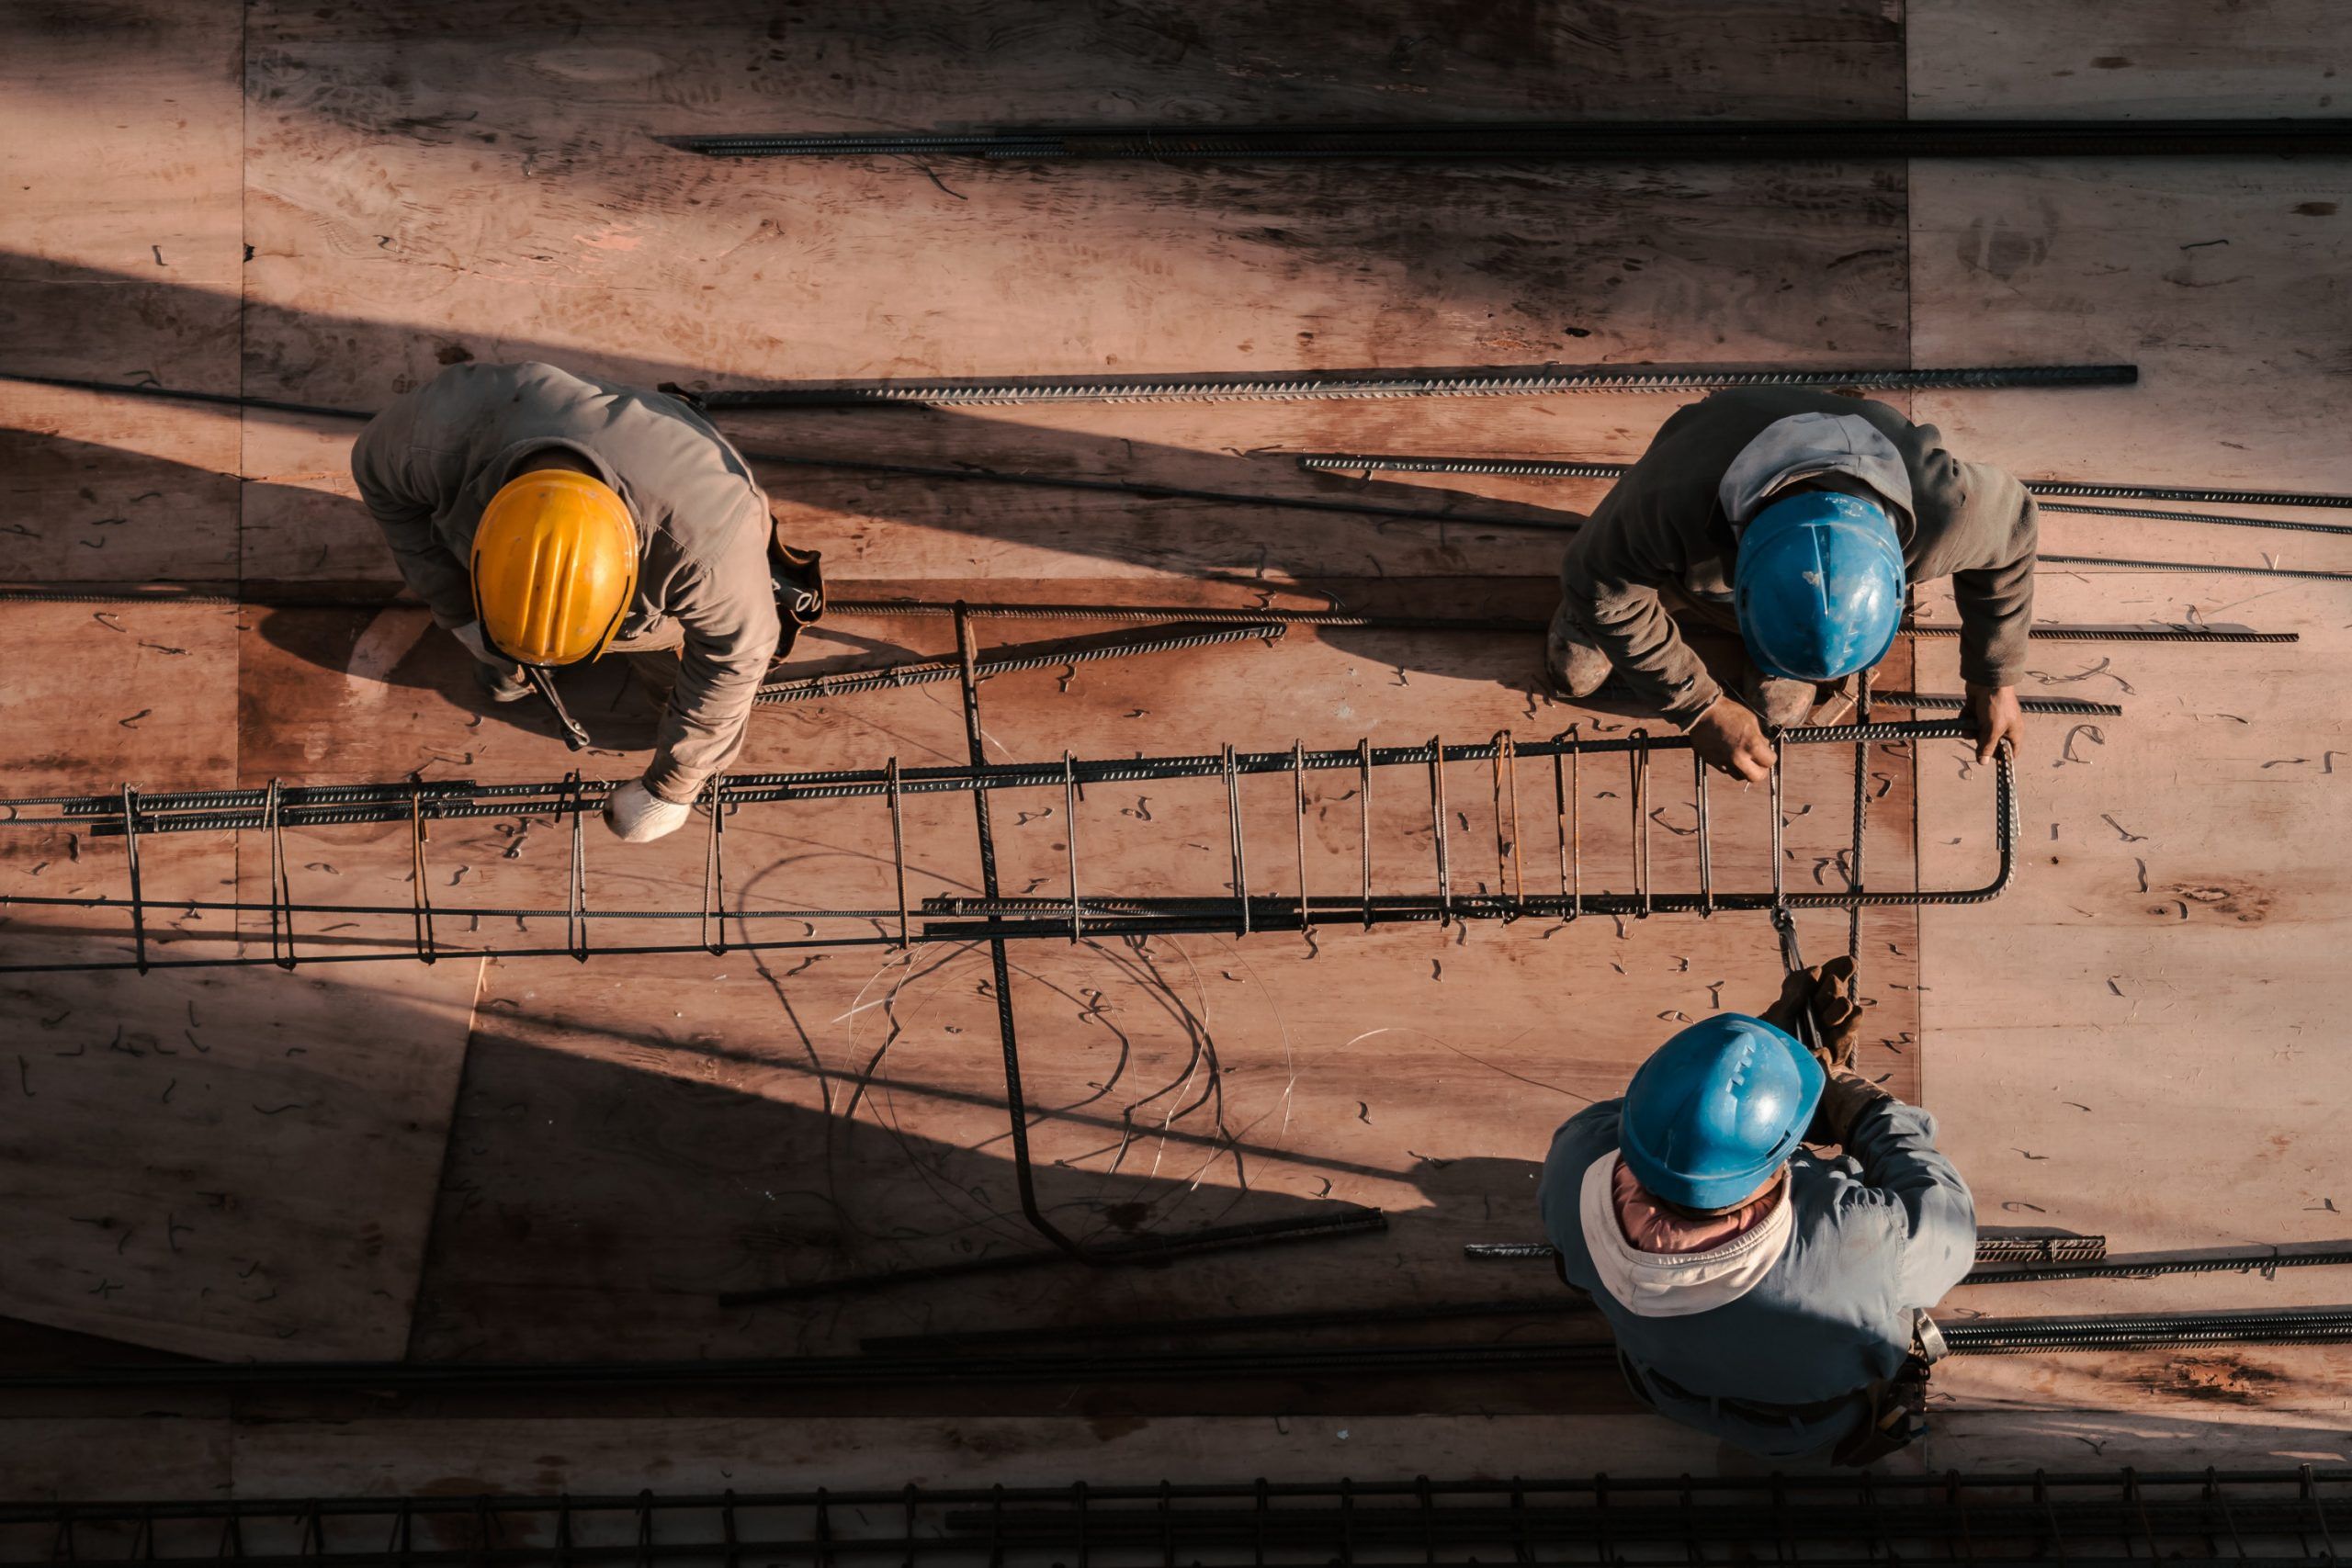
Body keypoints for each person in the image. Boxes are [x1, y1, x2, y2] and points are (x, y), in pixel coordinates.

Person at [1536, 958, 1975, 1462]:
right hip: (1808, 1425)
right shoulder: (1856, 1240)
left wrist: (1763, 1057)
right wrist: (1866, 1113)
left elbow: (1662, 1121)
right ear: (1783, 1151)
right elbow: (1950, 1225)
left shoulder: (1574, 1159)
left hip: (1663, 1385)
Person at [351, 362, 791, 842]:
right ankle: (511, 656)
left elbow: (738, 654)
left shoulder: (708, 546)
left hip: (661, 593)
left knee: (675, 699)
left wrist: (674, 785)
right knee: (500, 670)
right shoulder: (430, 437)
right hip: (496, 538)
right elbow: (387, 495)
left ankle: (639, 666)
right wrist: (460, 611)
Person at [1549, 388, 2034, 782]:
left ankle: (1784, 648)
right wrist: (1699, 707)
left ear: (1899, 573)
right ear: (1742, 583)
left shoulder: (1947, 515)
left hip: (1746, 545)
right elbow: (1597, 580)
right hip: (1700, 501)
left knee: (1778, 706)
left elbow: (2016, 535)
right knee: (1598, 611)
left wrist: (1994, 678)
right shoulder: (1668, 504)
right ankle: (1604, 613)